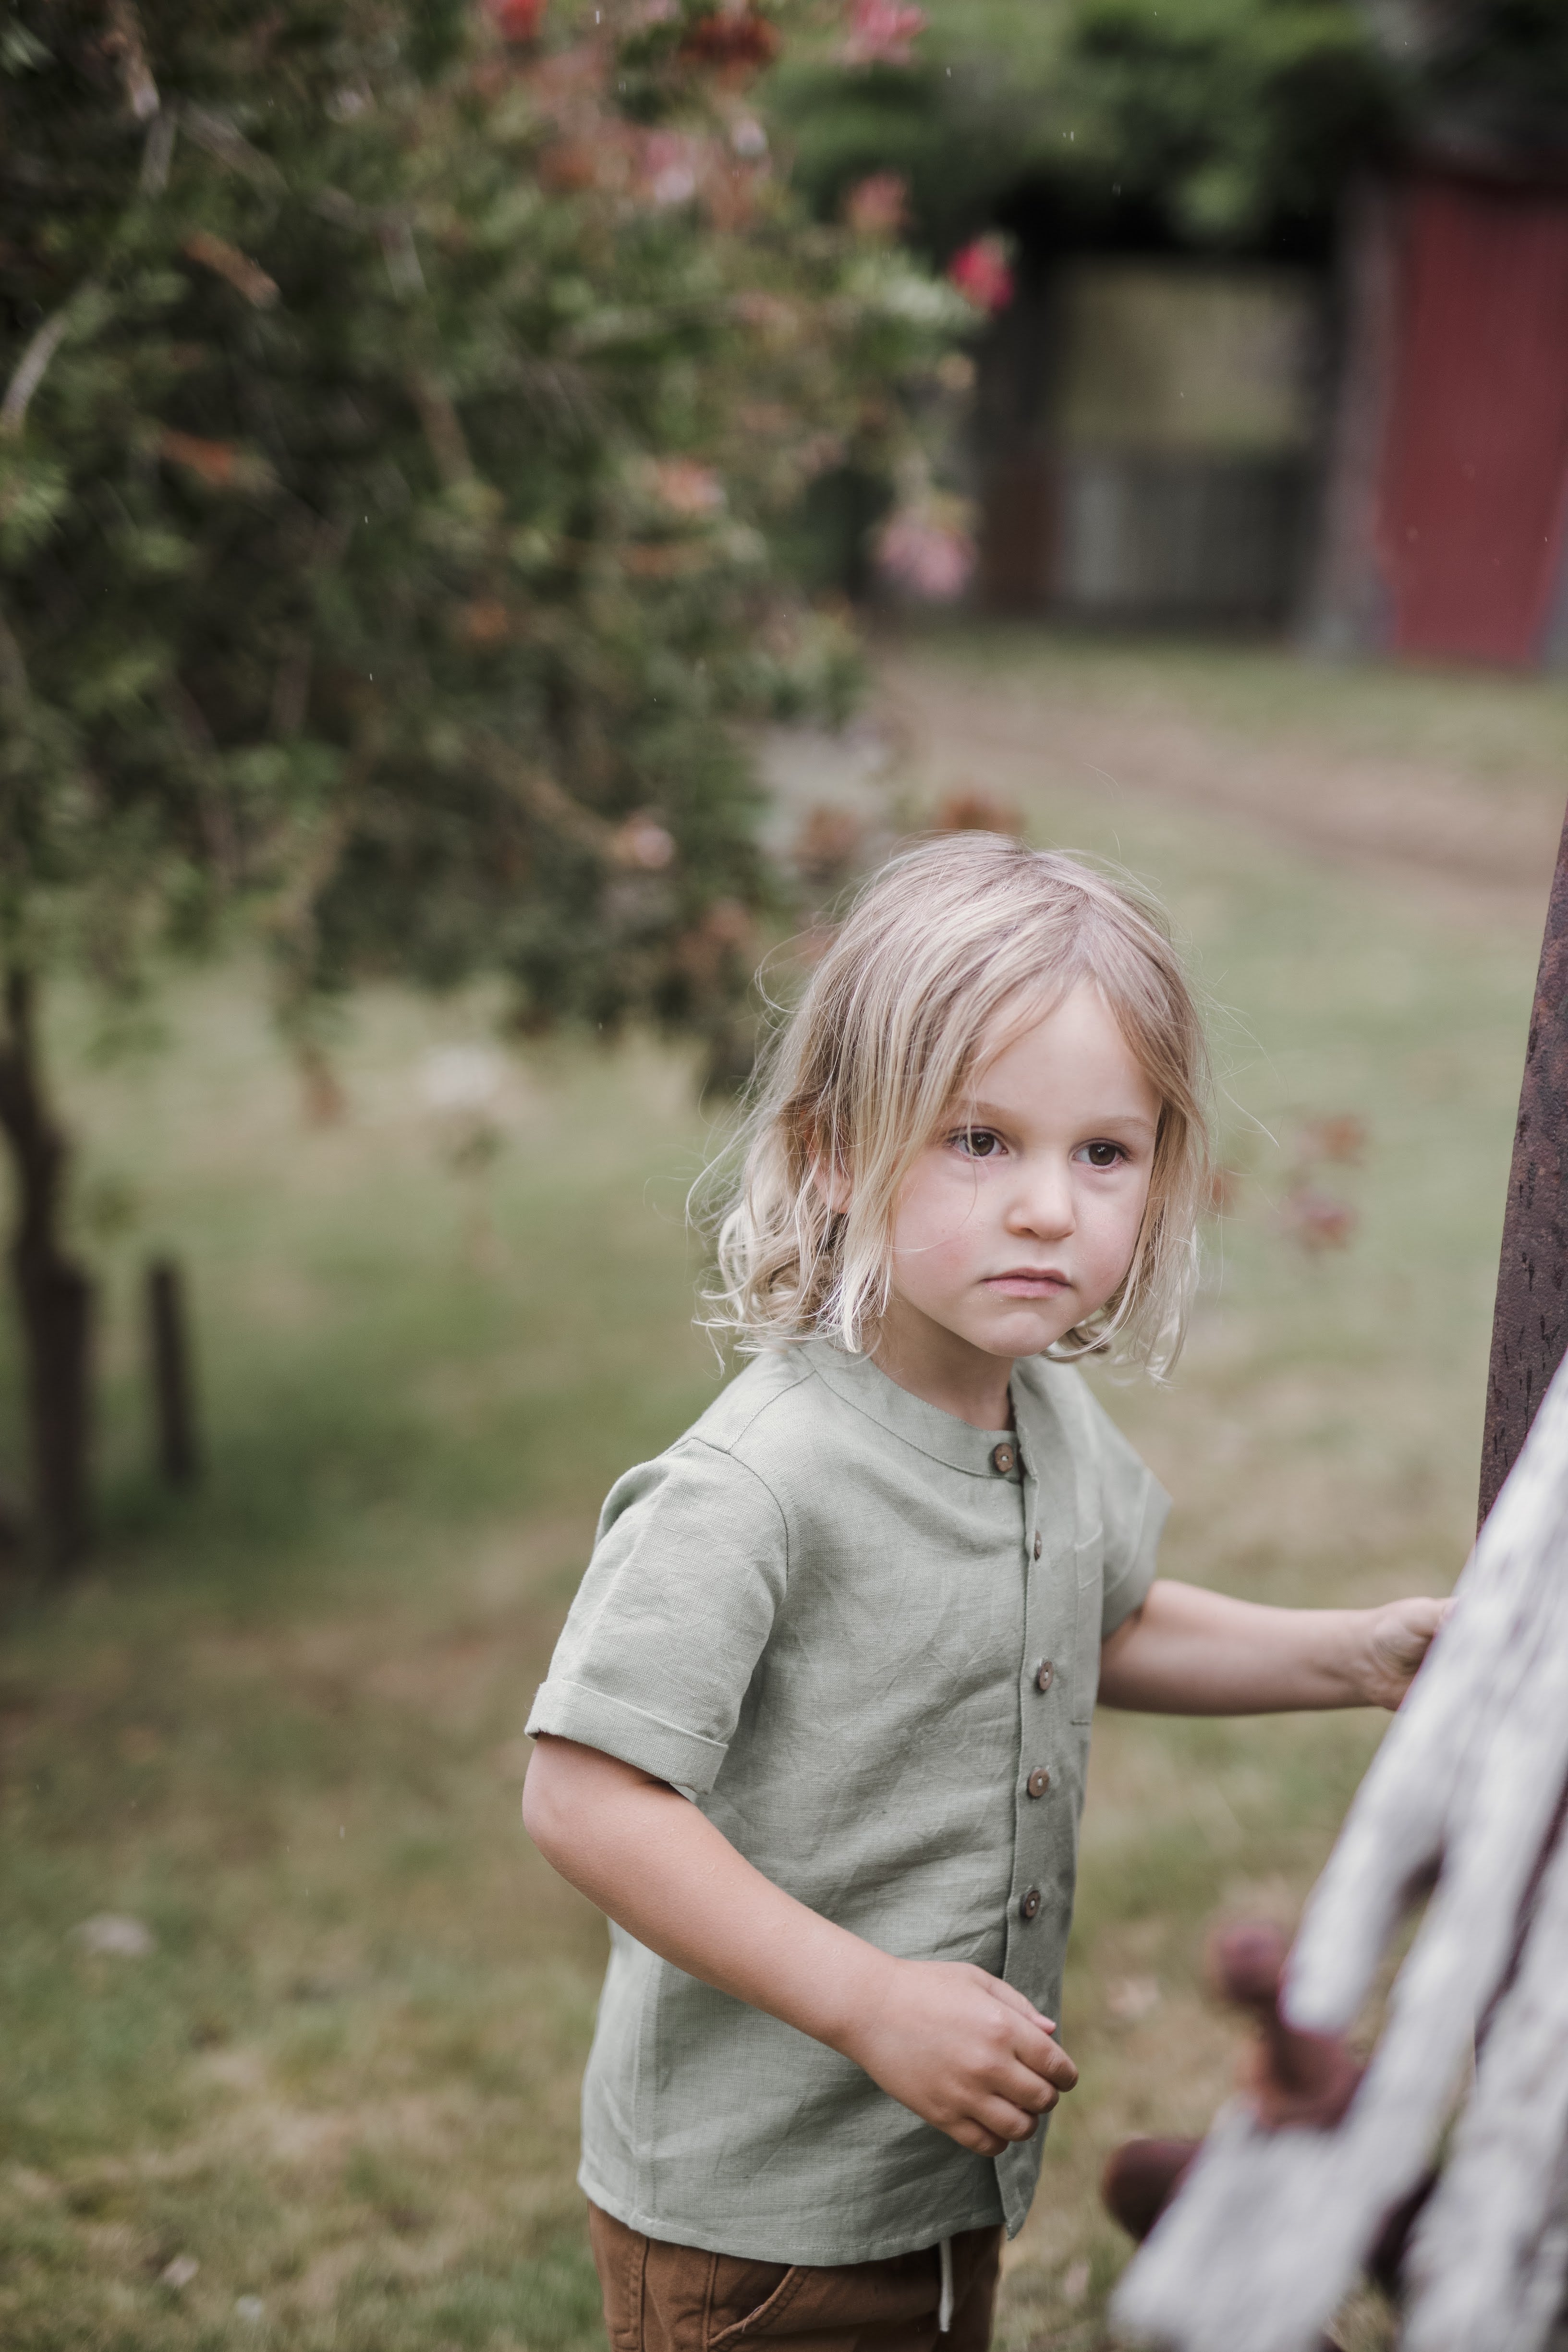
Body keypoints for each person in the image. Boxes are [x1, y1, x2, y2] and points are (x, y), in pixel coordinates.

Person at [523, 833, 1447, 2352]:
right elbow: (586, 1796)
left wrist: (1353, 1654)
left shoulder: (1037, 1411)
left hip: (935, 2167)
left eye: (1104, 1152)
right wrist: (869, 2001)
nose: (1045, 1208)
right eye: (977, 1139)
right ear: (832, 1149)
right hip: (755, 2215)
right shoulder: (758, 1482)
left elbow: (1107, 1619)